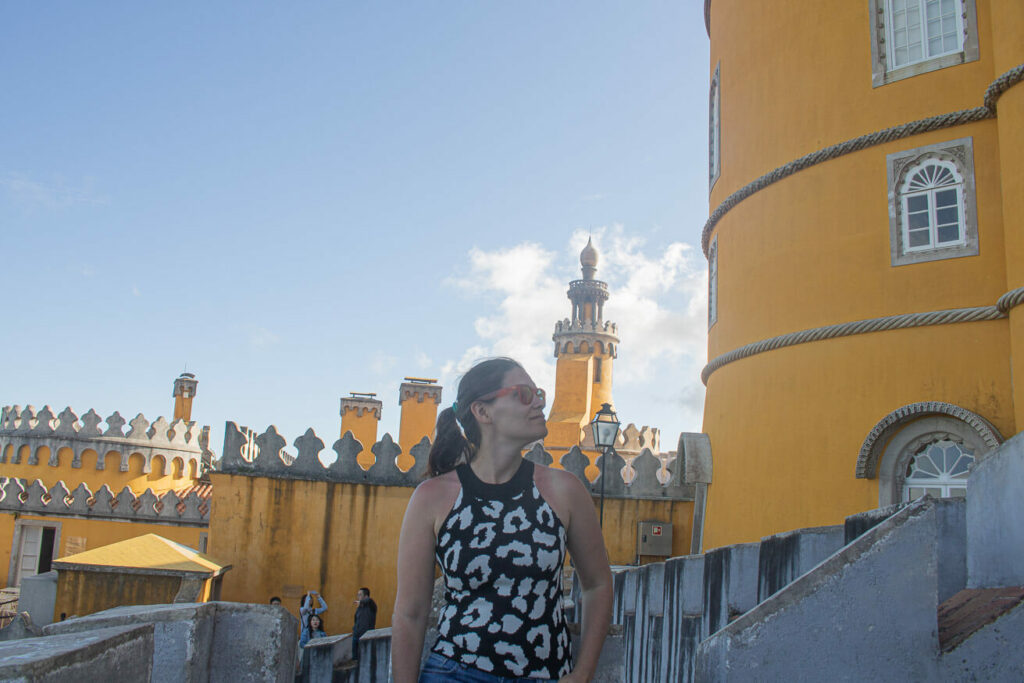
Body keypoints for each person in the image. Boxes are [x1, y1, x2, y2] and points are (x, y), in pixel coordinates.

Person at [392, 358, 613, 682]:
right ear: (483, 412)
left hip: (546, 674)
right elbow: (410, 613)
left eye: (538, 393)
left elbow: (597, 584)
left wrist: (583, 672)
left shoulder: (564, 491)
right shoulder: (433, 498)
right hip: (455, 671)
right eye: (524, 394)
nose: (539, 401)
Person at [352, 587, 378, 660]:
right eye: (358, 595)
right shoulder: (359, 608)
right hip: (356, 635)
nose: (358, 597)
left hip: (366, 635)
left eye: (360, 595)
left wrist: (361, 602)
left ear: (366, 596)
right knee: (355, 659)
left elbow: (370, 600)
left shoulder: (372, 606)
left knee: (365, 658)